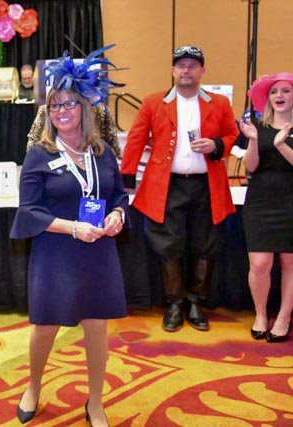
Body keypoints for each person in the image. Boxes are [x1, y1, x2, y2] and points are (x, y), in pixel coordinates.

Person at [10, 50, 128, 427]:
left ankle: (95, 402)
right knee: (46, 326)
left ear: (84, 108)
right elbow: (29, 212)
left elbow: (119, 195)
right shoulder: (39, 155)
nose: (61, 111)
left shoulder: (102, 152)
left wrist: (117, 215)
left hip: (98, 253)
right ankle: (33, 386)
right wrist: (73, 227)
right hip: (55, 253)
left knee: (97, 327)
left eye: (69, 104)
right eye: (55, 105)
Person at [120, 45, 239, 333]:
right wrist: (126, 179)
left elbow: (233, 134)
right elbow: (136, 140)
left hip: (207, 185)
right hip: (167, 185)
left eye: (192, 65)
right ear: (173, 70)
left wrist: (217, 145)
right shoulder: (153, 102)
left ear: (202, 71)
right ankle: (174, 302)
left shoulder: (220, 103)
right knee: (167, 245)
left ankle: (196, 301)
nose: (186, 70)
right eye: (181, 65)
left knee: (206, 244)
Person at [239, 72, 293, 343]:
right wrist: (253, 140)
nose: (279, 96)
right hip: (260, 200)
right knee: (260, 263)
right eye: (274, 92)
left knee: (291, 262)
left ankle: (284, 317)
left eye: (286, 91)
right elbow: (251, 167)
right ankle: (261, 315)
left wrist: (281, 145)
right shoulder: (257, 126)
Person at [27, 103, 121, 157]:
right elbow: (33, 141)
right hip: (54, 159)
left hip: (94, 159)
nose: (62, 111)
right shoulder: (46, 109)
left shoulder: (101, 110)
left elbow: (113, 145)